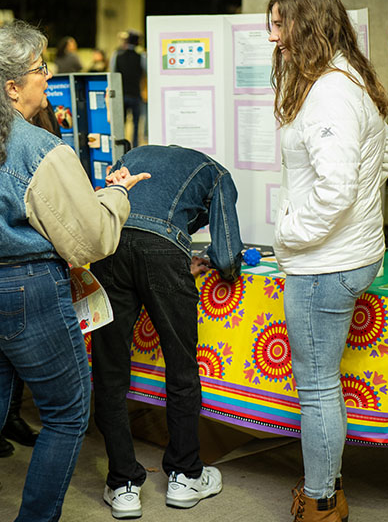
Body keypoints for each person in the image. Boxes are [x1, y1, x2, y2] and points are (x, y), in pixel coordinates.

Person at [0, 21, 149, 522]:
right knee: (68, 414)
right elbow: (91, 239)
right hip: (24, 292)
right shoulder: (41, 149)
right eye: (39, 70)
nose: (47, 78)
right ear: (11, 87)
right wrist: (117, 195)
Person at [267, 0, 388, 522]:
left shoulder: (329, 92)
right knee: (322, 382)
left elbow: (335, 190)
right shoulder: (347, 79)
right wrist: (359, 209)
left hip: (325, 264)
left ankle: (322, 501)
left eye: (280, 24)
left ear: (309, 25)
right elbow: (387, 150)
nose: (272, 37)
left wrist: (290, 231)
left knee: (317, 387)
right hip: (347, 253)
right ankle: (327, 488)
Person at [90, 144, 243, 519]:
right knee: (181, 368)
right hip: (161, 257)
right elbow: (226, 257)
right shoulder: (217, 173)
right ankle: (185, 476)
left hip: (111, 247)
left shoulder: (135, 155)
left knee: (110, 371)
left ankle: (122, 484)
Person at [111, 31, 146, 147]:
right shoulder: (141, 56)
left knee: (122, 122)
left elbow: (112, 73)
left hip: (121, 94)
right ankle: (135, 145)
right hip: (136, 93)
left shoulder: (117, 55)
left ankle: (122, 146)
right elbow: (146, 72)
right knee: (136, 123)